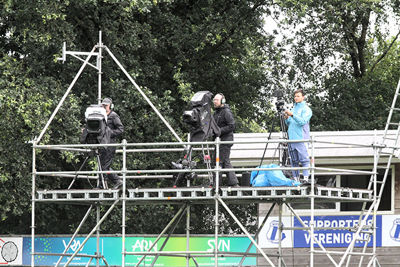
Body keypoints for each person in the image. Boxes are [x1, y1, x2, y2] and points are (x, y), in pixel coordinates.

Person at [284, 89, 312, 182]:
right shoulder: (293, 109)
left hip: (302, 138)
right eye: (295, 96)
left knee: (304, 160)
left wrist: (292, 115)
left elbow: (302, 122)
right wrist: (286, 118)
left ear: (303, 97)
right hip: (291, 139)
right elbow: (289, 123)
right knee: (293, 161)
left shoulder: (306, 109)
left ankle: (305, 179)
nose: (296, 98)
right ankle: (296, 179)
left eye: (298, 96)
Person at [211, 93, 239, 187]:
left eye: (216, 100)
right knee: (219, 161)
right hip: (219, 141)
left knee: (221, 161)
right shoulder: (215, 113)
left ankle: (223, 184)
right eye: (214, 100)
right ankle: (228, 183)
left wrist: (219, 131)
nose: (214, 101)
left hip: (225, 140)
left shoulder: (226, 112)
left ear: (222, 101)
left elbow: (232, 126)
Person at [99, 97, 124, 189]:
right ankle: (114, 182)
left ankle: (112, 182)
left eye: (106, 105)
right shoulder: (100, 116)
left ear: (110, 106)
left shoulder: (113, 116)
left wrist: (110, 133)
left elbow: (120, 129)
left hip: (110, 144)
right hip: (102, 143)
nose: (104, 106)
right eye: (103, 105)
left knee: (104, 166)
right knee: (102, 165)